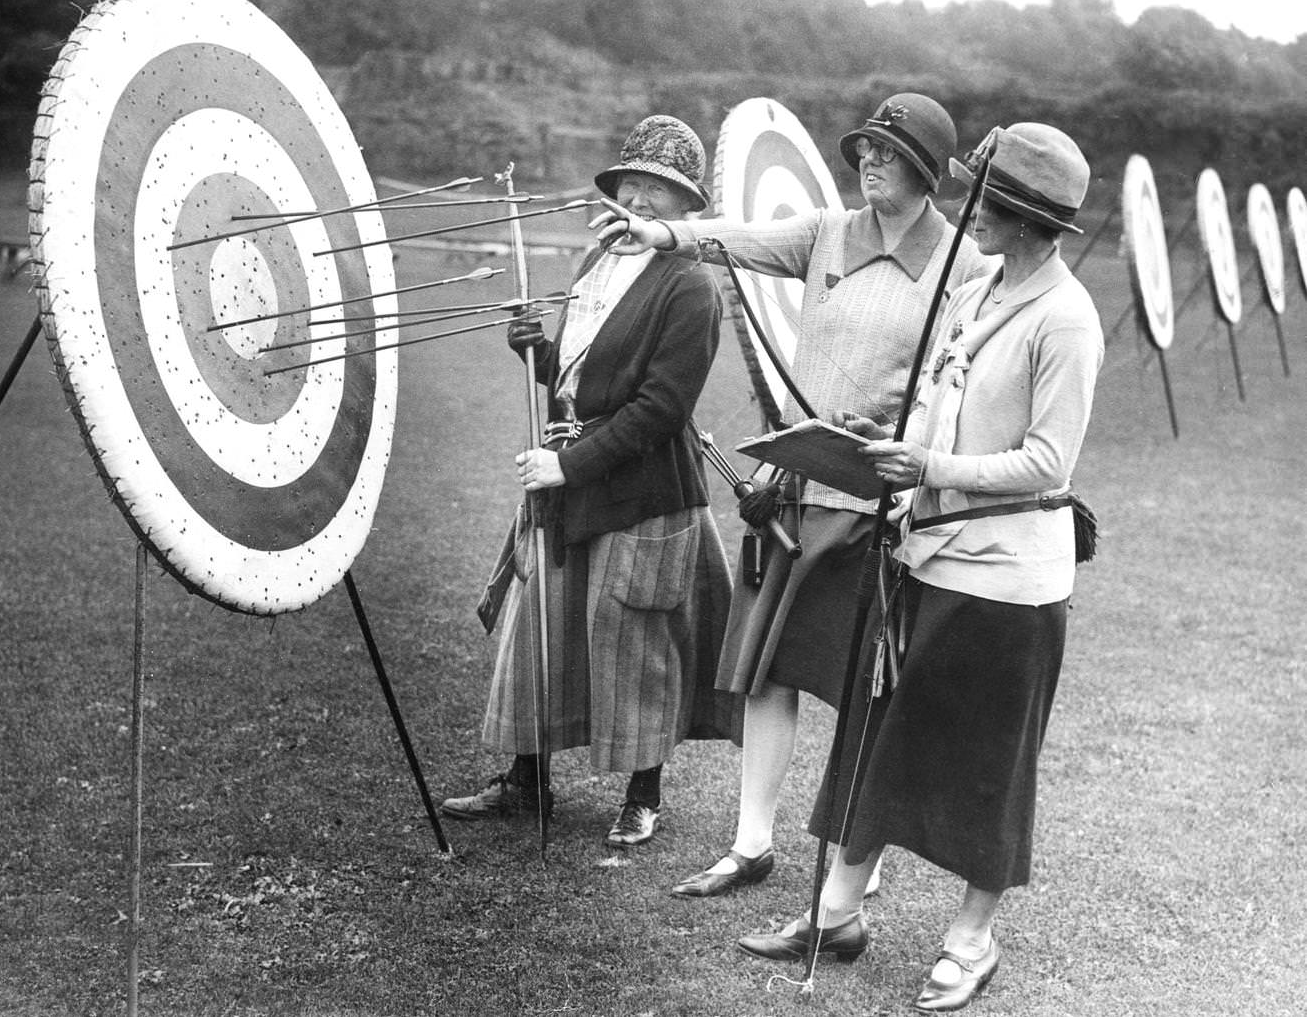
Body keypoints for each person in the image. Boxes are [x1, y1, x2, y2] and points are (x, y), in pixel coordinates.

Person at [736, 123, 1103, 1014]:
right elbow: (949, 411)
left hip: (1009, 586)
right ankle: (837, 913)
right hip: (931, 558)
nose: (964, 211)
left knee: (988, 763)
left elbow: (1048, 464)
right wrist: (895, 446)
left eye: (982, 200)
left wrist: (927, 470)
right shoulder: (984, 290)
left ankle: (971, 942)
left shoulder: (1065, 318)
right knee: (876, 737)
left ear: (1017, 215)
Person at [593, 94, 993, 897]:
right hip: (796, 489)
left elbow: (959, 384)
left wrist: (894, 429)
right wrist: (658, 231)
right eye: (865, 149)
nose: (867, 161)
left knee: (858, 684)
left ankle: (853, 856)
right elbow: (732, 240)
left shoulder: (964, 268)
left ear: (925, 171)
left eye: (887, 151)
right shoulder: (827, 233)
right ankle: (752, 844)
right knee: (768, 672)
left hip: (874, 502)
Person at [441, 115, 733, 848]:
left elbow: (662, 409)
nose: (640, 198)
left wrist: (568, 463)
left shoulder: (692, 287)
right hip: (568, 483)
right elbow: (581, 380)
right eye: (633, 182)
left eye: (660, 190)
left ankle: (644, 793)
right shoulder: (596, 264)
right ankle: (525, 782)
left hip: (644, 491)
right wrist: (536, 353)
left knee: (634, 638)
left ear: (685, 206)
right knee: (540, 625)